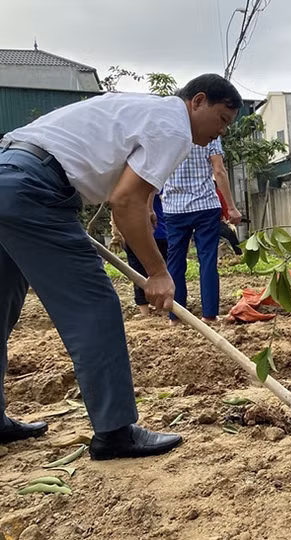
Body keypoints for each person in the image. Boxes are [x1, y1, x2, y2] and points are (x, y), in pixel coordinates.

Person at [0, 74, 242, 459]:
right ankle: (115, 432)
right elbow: (125, 201)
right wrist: (158, 273)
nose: (218, 134)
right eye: (222, 121)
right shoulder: (175, 126)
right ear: (197, 101)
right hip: (35, 190)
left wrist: (142, 208)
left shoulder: (145, 108)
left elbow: (130, 191)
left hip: (9, 170)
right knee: (94, 308)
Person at [162, 135, 241, 325]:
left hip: (174, 208)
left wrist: (148, 206)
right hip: (205, 205)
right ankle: (210, 315)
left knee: (175, 262)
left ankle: (176, 316)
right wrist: (230, 207)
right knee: (207, 260)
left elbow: (154, 170)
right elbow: (219, 170)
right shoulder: (210, 132)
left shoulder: (166, 133)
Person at [124, 194, 169, 316]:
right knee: (163, 272)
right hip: (158, 233)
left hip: (135, 234)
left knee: (138, 272)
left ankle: (146, 311)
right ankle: (163, 308)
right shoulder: (152, 185)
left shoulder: (124, 188)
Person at [216, 187, 242, 256]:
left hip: (216, 221)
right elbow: (225, 207)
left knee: (230, 234)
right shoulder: (217, 192)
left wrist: (227, 219)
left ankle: (238, 254)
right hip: (215, 221)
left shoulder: (218, 192)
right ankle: (239, 253)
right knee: (230, 235)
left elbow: (224, 207)